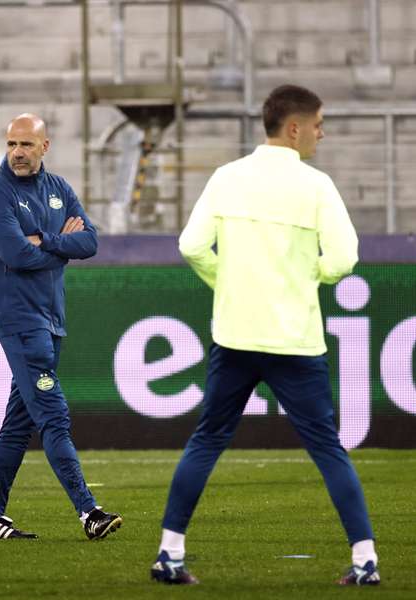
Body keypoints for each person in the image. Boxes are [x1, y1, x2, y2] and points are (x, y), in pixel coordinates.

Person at [151, 84, 379, 586]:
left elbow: (191, 245)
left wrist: (226, 280)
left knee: (207, 439)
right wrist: (305, 277)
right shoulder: (316, 186)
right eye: (318, 123)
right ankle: (365, 559)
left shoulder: (227, 177)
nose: (323, 132)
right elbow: (343, 260)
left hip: (235, 335)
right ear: (294, 128)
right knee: (326, 448)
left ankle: (170, 553)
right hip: (294, 340)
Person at [0, 113, 122, 540]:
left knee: (19, 425)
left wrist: (47, 240)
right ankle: (88, 511)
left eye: (26, 145)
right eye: (11, 145)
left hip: (51, 320)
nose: (17, 153)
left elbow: (89, 241)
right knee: (54, 416)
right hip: (21, 323)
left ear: (45, 147)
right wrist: (62, 243)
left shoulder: (58, 189)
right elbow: (17, 255)